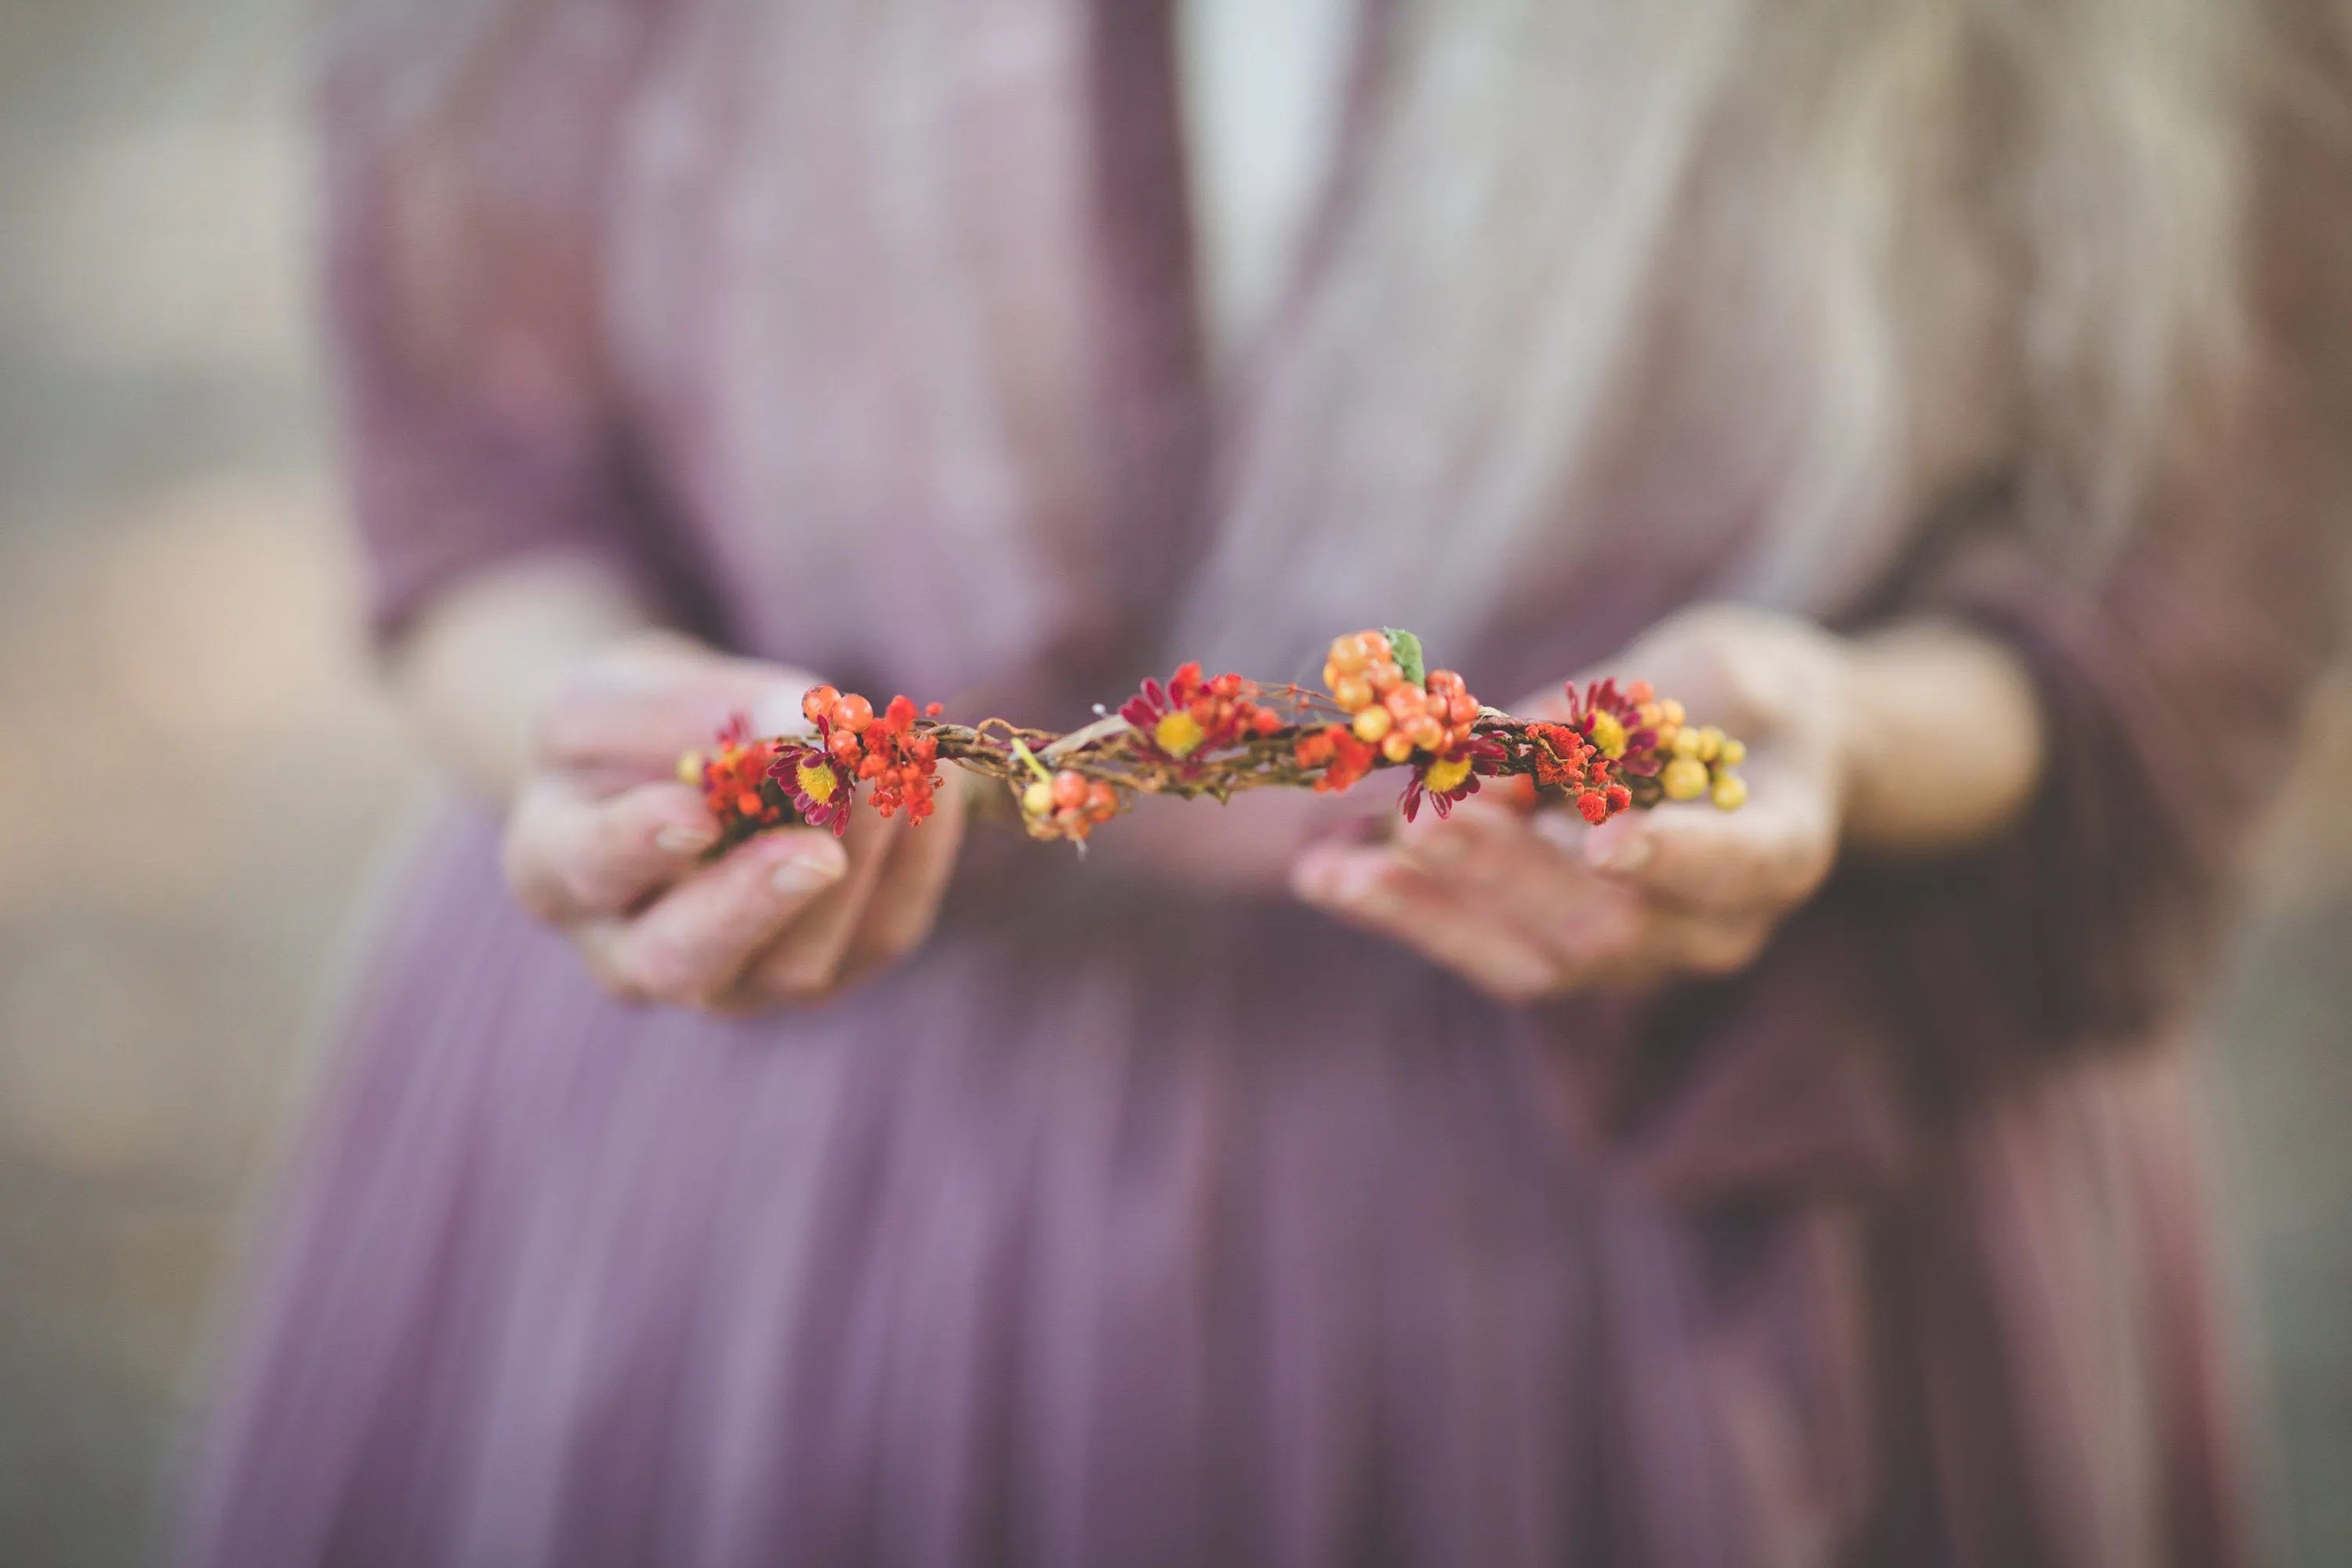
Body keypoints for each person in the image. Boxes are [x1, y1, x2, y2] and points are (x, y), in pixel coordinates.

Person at [179, 0, 2352, 1563]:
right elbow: (478, 496)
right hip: (754, 1182)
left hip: (1697, 1247)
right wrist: (612, 753)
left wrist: (1848, 738)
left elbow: (2168, 605)